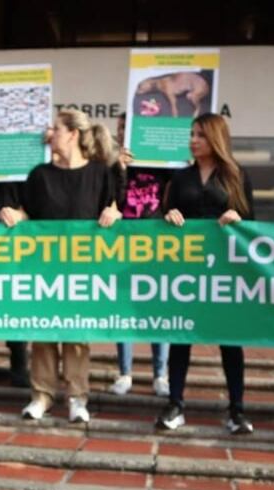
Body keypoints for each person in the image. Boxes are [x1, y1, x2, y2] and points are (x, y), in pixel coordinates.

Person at [0, 109, 121, 424]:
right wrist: (14, 215)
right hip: (44, 268)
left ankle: (77, 398)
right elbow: (28, 212)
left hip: (83, 269)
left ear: (73, 134)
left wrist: (114, 214)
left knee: (77, 334)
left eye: (55, 128)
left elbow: (115, 209)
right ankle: (41, 395)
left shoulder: (100, 173)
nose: (49, 133)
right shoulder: (40, 174)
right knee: (43, 332)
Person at [155, 113, 255, 435]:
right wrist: (168, 213)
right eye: (191, 134)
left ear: (216, 138)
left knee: (230, 339)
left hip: (224, 269)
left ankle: (237, 410)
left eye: (199, 134)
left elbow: (251, 220)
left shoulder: (236, 176)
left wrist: (236, 216)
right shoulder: (181, 177)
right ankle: (175, 403)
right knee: (181, 335)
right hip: (186, 268)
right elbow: (164, 212)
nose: (193, 140)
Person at [112, 112, 170, 397]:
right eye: (121, 128)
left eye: (129, 127)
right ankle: (125, 373)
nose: (124, 132)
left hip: (157, 245)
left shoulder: (163, 161)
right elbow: (112, 200)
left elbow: (174, 194)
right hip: (123, 245)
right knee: (124, 310)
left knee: (158, 309)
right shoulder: (112, 164)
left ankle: (161, 374)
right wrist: (120, 169)